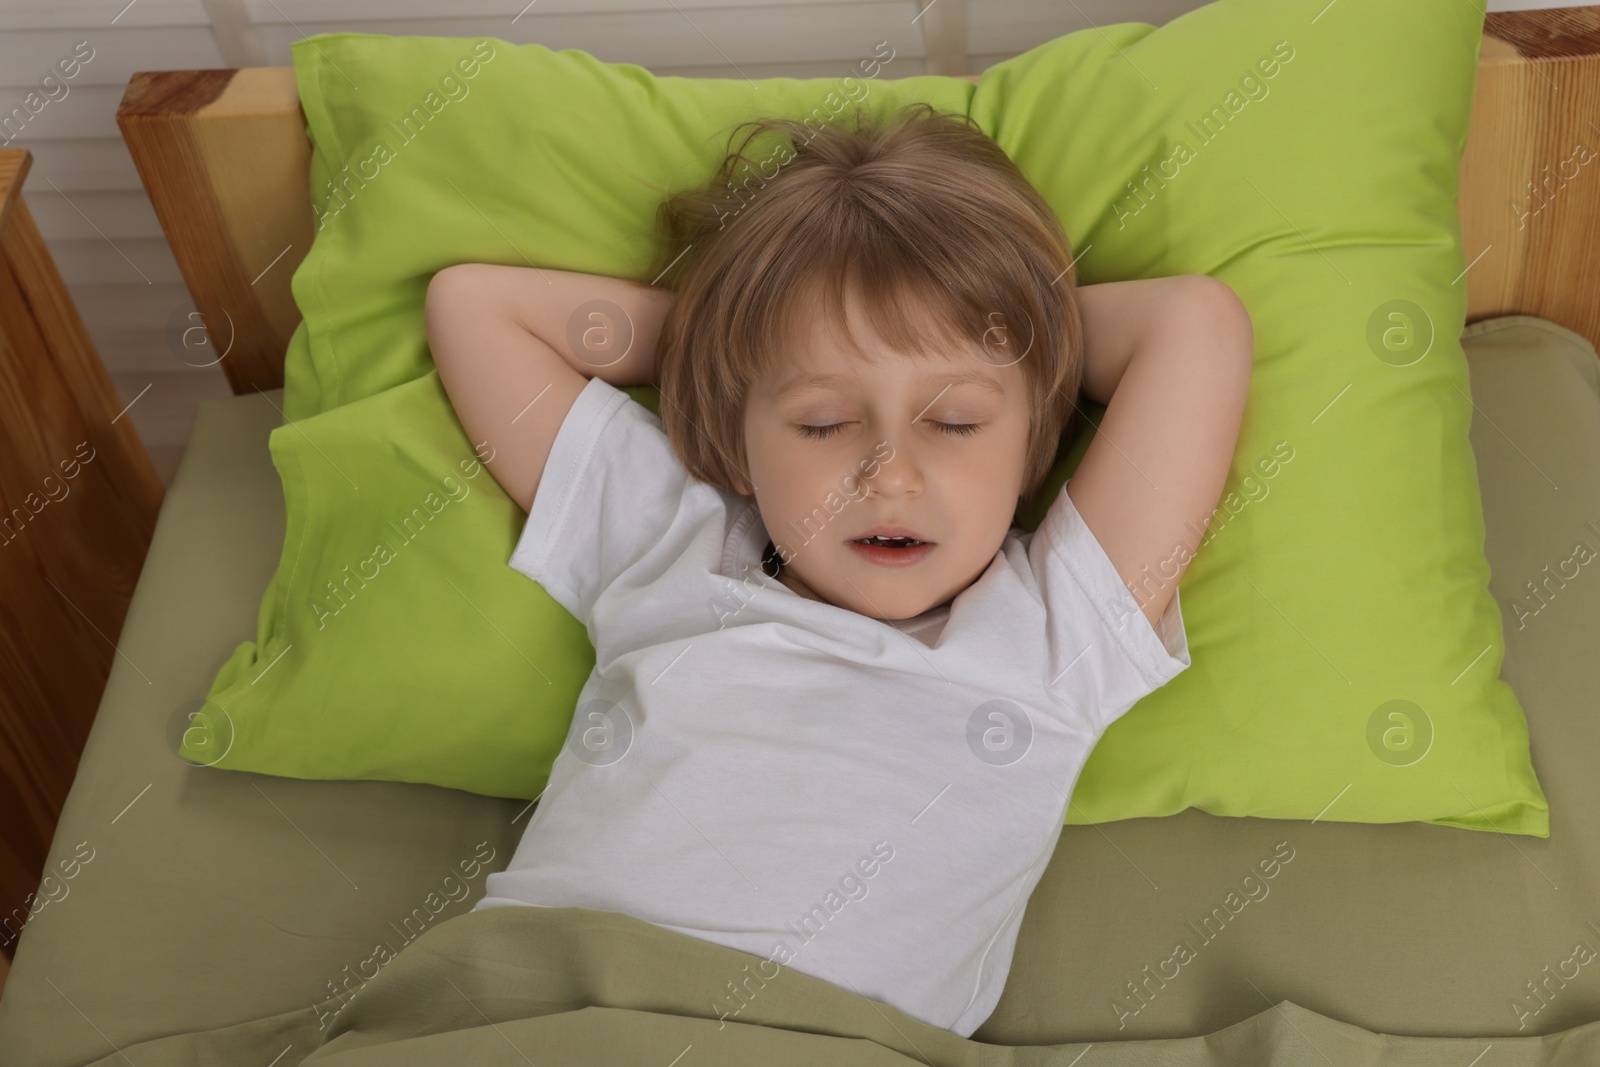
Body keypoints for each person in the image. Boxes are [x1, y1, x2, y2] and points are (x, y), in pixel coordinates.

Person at [423, 101, 1251, 1038]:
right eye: (822, 422)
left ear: (1034, 444)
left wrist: (1010, 335)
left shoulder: (1058, 633)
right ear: (737, 441)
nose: (889, 472)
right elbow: (473, 307)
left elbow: (1196, 326)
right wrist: (740, 347)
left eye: (957, 420)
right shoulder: (671, 541)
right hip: (532, 1010)